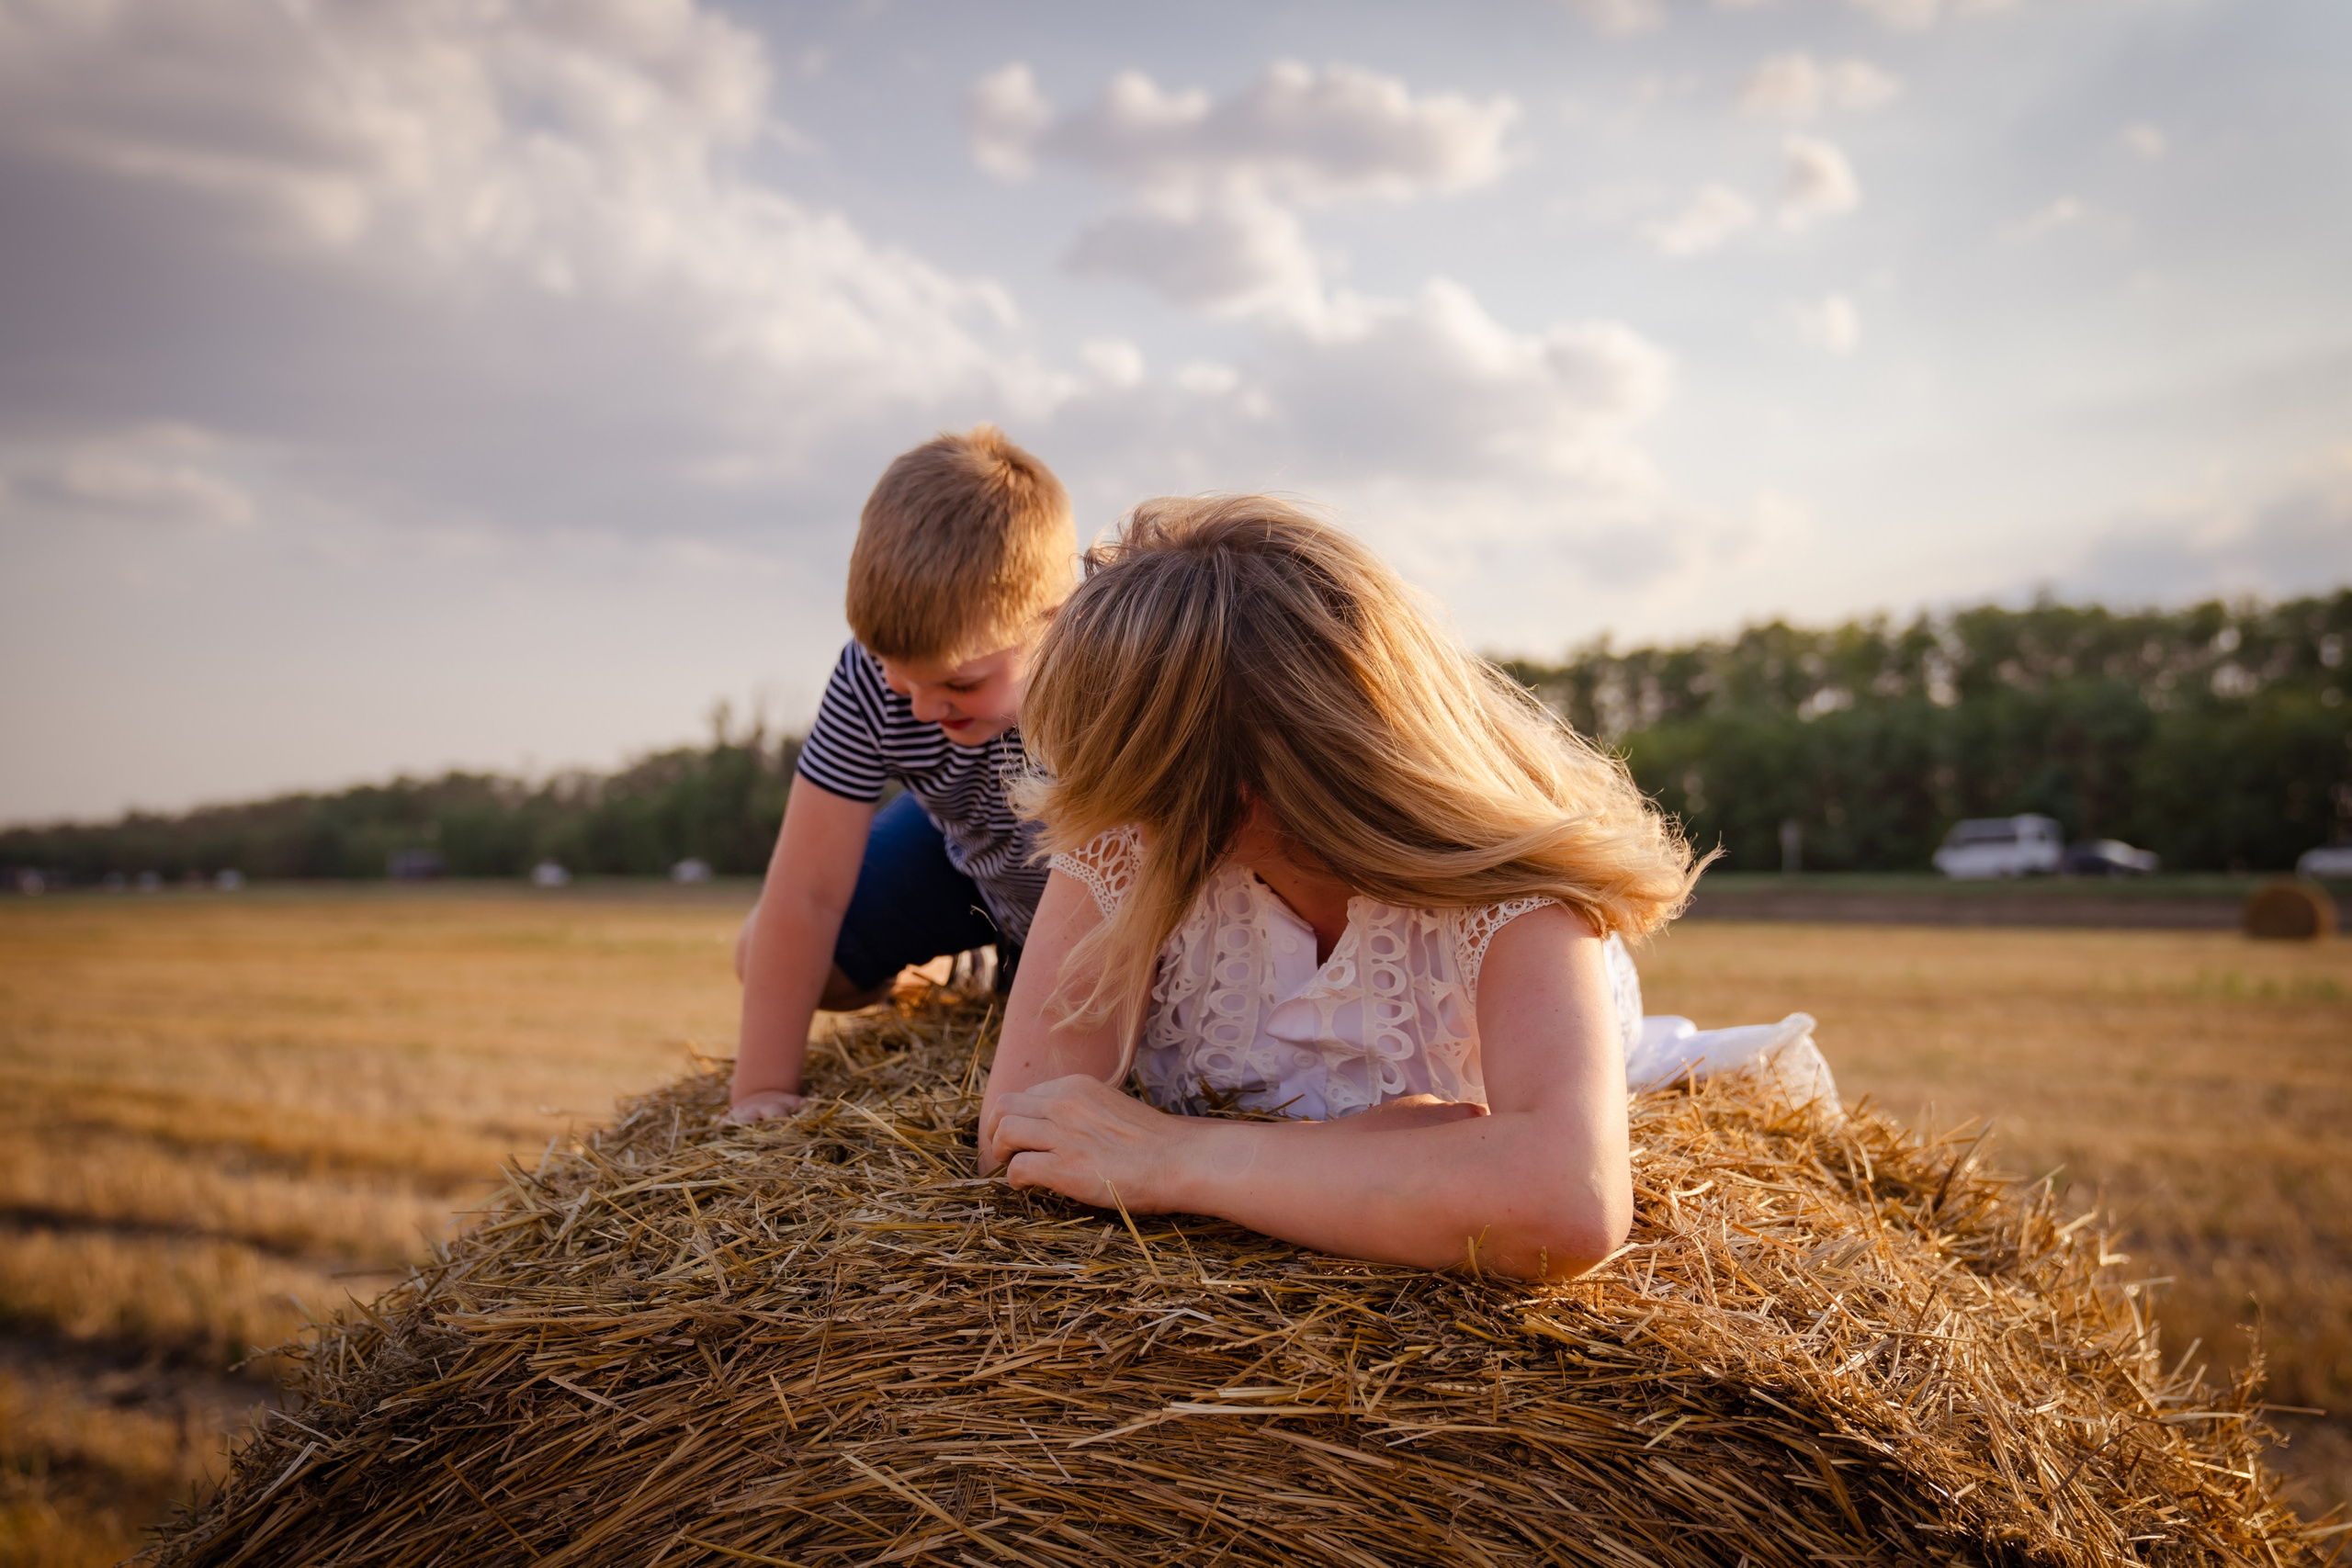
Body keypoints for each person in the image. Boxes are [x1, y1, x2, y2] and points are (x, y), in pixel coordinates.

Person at [977, 495, 1717, 1281]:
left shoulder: (1512, 881)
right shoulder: (1127, 840)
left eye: (1128, 775)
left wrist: (1175, 1156)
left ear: (1241, 791)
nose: (1101, 800)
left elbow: (1567, 1201)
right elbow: (1023, 1134)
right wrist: (1368, 1156)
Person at [729, 426, 1075, 1124]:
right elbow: (806, 890)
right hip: (968, 849)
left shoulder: (1106, 672)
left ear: (1053, 623)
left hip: (1086, 890)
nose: (920, 707)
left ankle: (1012, 963)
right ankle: (952, 972)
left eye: (959, 683)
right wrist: (760, 1091)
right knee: (763, 951)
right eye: (898, 676)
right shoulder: (866, 676)